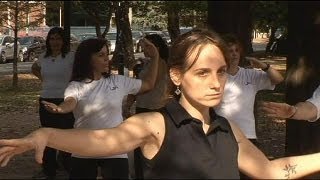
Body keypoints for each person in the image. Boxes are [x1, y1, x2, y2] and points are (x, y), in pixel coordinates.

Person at [2, 28, 320, 179]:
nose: (215, 82)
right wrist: (46, 135)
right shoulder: (157, 124)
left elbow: (272, 170)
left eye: (221, 72)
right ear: (177, 76)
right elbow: (102, 140)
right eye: (203, 72)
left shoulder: (229, 131)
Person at [39, 37, 159, 179]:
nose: (106, 59)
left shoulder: (118, 81)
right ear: (87, 59)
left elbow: (149, 84)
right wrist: (60, 109)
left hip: (115, 149)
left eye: (106, 54)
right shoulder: (76, 86)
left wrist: (156, 56)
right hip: (83, 147)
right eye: (100, 55)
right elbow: (70, 102)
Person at [214, 34, 284, 144]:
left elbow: (278, 79)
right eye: (230, 51)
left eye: (236, 50)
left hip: (247, 134)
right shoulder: (215, 77)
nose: (234, 54)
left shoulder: (250, 74)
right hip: (221, 134)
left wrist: (264, 66)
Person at [30, 27, 75, 179]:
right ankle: (49, 171)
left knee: (67, 135)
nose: (55, 42)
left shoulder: (70, 57)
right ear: (48, 41)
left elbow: (79, 73)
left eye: (58, 38)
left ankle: (69, 168)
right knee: (47, 136)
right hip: (46, 99)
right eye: (52, 39)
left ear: (64, 41)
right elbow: (34, 68)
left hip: (65, 100)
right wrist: (45, 81)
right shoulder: (44, 57)